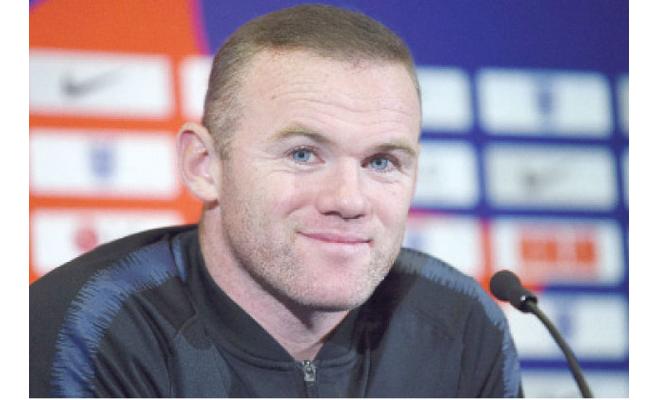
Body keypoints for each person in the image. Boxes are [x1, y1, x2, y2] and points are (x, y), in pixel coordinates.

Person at [30, 4, 522, 397]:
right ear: (204, 166)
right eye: (303, 154)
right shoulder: (87, 330)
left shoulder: (462, 325)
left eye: (381, 162)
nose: (349, 199)